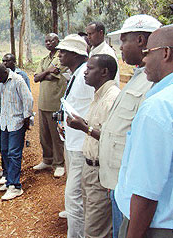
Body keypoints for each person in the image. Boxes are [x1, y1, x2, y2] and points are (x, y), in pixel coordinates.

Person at [99, 14, 162, 238]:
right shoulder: (138, 76)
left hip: (132, 190)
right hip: (119, 183)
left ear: (141, 41)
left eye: (123, 40)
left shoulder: (155, 82)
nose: (120, 47)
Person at [115, 25, 173, 238]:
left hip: (154, 226)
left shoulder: (158, 107)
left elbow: (145, 193)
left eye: (148, 53)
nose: (144, 60)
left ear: (166, 53)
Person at [67, 54, 121, 238]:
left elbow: (111, 137)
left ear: (104, 72)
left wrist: (84, 127)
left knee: (96, 230)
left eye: (90, 68)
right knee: (90, 219)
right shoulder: (99, 95)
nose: (85, 72)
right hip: (90, 168)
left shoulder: (111, 99)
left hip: (100, 172)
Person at [57, 34, 95, 238]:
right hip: (72, 143)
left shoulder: (85, 76)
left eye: (63, 51)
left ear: (75, 54)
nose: (59, 54)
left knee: (74, 197)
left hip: (81, 145)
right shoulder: (75, 74)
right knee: (75, 195)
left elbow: (94, 108)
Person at [0, 63, 33, 201]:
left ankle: (15, 186)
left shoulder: (18, 80)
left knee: (14, 153)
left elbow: (28, 100)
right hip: (4, 122)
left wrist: (26, 120)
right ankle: (9, 180)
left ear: (5, 72)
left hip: (16, 122)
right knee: (4, 151)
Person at [33, 33, 68, 177]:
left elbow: (56, 73)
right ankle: (47, 159)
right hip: (43, 103)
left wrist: (43, 74)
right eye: (46, 40)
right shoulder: (44, 59)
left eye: (51, 40)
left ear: (57, 41)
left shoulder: (61, 58)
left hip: (56, 103)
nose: (48, 43)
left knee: (56, 135)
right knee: (44, 135)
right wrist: (47, 72)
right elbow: (36, 78)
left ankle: (59, 163)